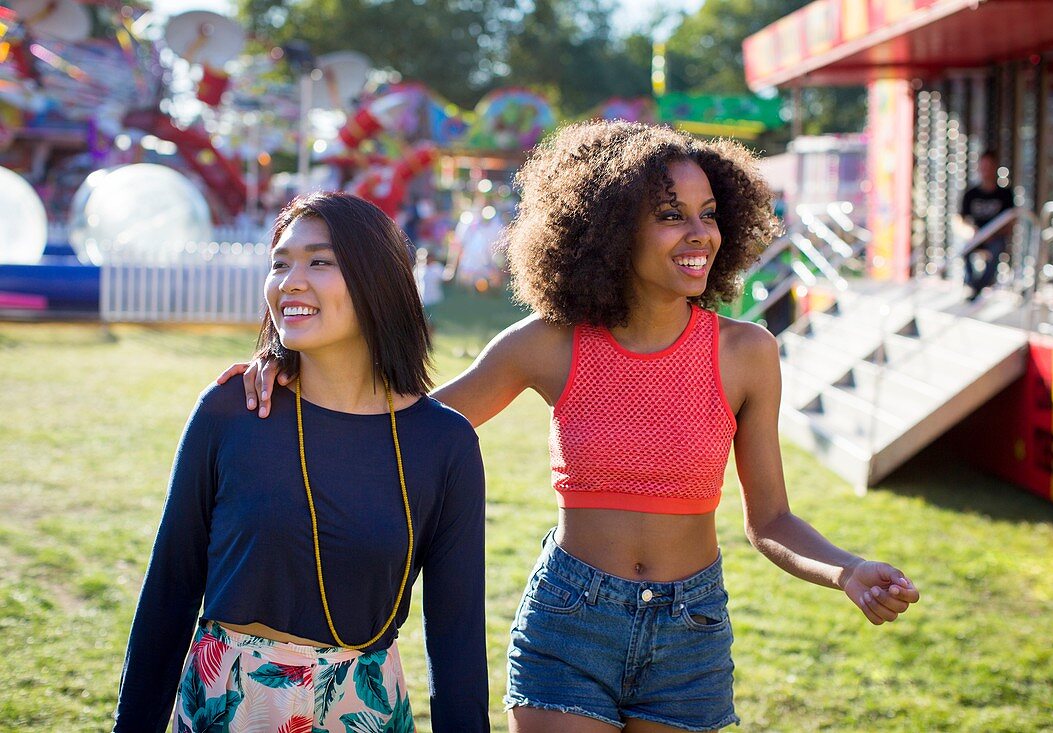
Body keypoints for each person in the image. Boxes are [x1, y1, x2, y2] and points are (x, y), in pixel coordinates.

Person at [224, 122, 920, 732]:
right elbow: (408, 424)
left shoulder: (746, 354)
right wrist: (290, 367)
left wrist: (848, 570)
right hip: (571, 619)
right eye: (672, 215)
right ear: (611, 228)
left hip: (692, 629)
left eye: (708, 214)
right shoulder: (550, 344)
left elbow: (769, 519)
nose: (699, 233)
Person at [115, 192, 488, 732]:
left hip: (365, 706)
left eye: (319, 261)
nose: (289, 280)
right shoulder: (234, 410)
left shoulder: (445, 442)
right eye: (280, 263)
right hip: (230, 704)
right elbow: (169, 592)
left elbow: (457, 639)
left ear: (377, 279)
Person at [959, 151, 1015, 301]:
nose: (986, 171)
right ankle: (972, 283)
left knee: (997, 248)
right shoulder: (971, 194)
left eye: (989, 167)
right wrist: (971, 232)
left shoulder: (1005, 194)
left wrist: (993, 234)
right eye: (983, 167)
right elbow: (960, 219)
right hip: (976, 236)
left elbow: (1011, 222)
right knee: (964, 248)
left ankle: (978, 287)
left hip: (996, 237)